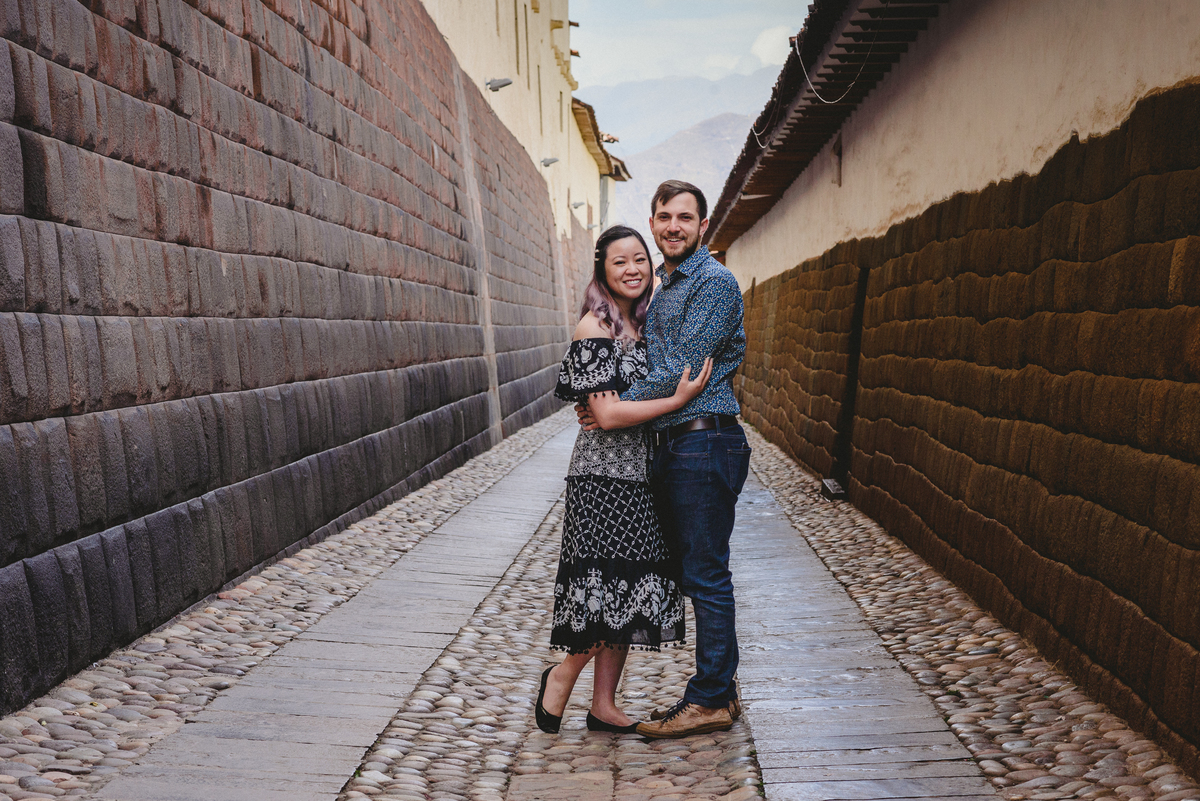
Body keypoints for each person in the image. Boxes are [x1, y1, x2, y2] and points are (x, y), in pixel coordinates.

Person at [579, 181, 749, 739]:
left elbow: (678, 372)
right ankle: (719, 685)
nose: (673, 226)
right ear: (652, 225)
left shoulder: (714, 284)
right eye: (663, 217)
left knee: (705, 573)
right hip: (675, 445)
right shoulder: (665, 287)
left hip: (704, 441)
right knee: (684, 571)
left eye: (685, 217)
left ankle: (711, 698)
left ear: (704, 226)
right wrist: (608, 403)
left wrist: (606, 404)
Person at [536, 224, 713, 734]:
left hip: (646, 472)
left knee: (631, 586)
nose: (633, 269)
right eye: (620, 262)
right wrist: (676, 402)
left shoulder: (647, 322)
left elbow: (621, 405)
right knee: (609, 585)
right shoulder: (595, 327)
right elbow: (608, 417)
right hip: (604, 478)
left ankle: (604, 705)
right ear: (602, 270)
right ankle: (563, 675)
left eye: (640, 259)